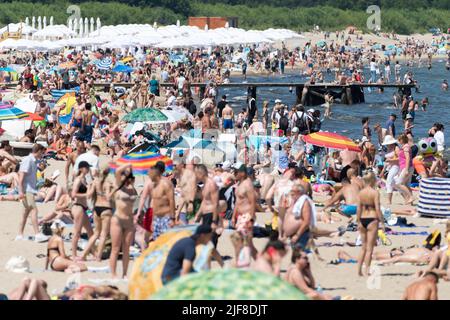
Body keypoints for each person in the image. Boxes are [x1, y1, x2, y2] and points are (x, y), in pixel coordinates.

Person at [109, 163, 137, 279]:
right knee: (115, 249)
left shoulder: (133, 190)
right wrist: (129, 165)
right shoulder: (118, 186)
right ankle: (113, 274)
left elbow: (135, 206)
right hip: (118, 220)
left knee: (126, 249)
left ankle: (125, 274)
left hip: (129, 221)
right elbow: (117, 171)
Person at [80, 166, 113, 261]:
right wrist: (113, 190)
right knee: (103, 234)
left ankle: (83, 255)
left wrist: (90, 186)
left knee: (95, 234)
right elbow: (108, 197)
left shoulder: (94, 182)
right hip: (106, 208)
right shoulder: (108, 183)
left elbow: (89, 195)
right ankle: (98, 257)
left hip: (96, 208)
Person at [17, 144, 49, 242]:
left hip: (29, 190)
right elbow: (21, 177)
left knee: (25, 214)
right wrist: (20, 192)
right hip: (27, 190)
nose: (42, 154)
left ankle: (19, 235)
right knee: (34, 211)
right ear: (38, 151)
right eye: (42, 152)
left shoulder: (33, 161)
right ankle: (37, 234)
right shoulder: (28, 160)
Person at [357, 172, 384, 277]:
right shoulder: (375, 192)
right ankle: (367, 270)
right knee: (370, 248)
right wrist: (382, 222)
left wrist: (358, 220)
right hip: (372, 219)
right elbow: (377, 208)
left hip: (362, 218)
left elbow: (359, 208)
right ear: (373, 180)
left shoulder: (361, 192)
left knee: (363, 247)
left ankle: (359, 270)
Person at [232, 163, 257, 258]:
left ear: (242, 173)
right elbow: (238, 202)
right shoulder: (239, 184)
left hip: (247, 216)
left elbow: (253, 202)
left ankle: (239, 264)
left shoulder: (248, 184)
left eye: (236, 172)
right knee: (248, 245)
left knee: (238, 241)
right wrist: (234, 216)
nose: (234, 174)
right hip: (240, 217)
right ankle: (262, 264)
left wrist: (250, 219)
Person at [71, 161, 94, 260]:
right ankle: (74, 255)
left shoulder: (84, 179)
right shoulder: (78, 180)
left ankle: (93, 253)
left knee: (90, 232)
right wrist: (86, 195)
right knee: (77, 232)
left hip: (84, 208)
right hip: (78, 207)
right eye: (87, 167)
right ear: (81, 168)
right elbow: (73, 194)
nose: (88, 169)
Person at [394, 134, 414, 205]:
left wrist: (406, 169)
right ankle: (411, 201)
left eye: (399, 139)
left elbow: (408, 158)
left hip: (407, 167)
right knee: (406, 184)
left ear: (402, 140)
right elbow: (402, 160)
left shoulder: (405, 147)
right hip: (406, 167)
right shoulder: (406, 146)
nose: (398, 141)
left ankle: (411, 197)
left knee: (399, 183)